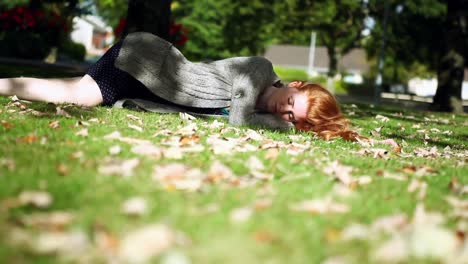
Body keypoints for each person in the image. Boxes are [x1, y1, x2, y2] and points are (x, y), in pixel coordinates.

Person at [0, 32, 358, 141]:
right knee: (78, 96)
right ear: (293, 84)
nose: (285, 111)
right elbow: (239, 120)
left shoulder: (260, 110)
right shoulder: (259, 71)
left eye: (292, 117)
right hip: (145, 59)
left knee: (72, 92)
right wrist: (279, 126)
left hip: (143, 88)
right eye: (292, 101)